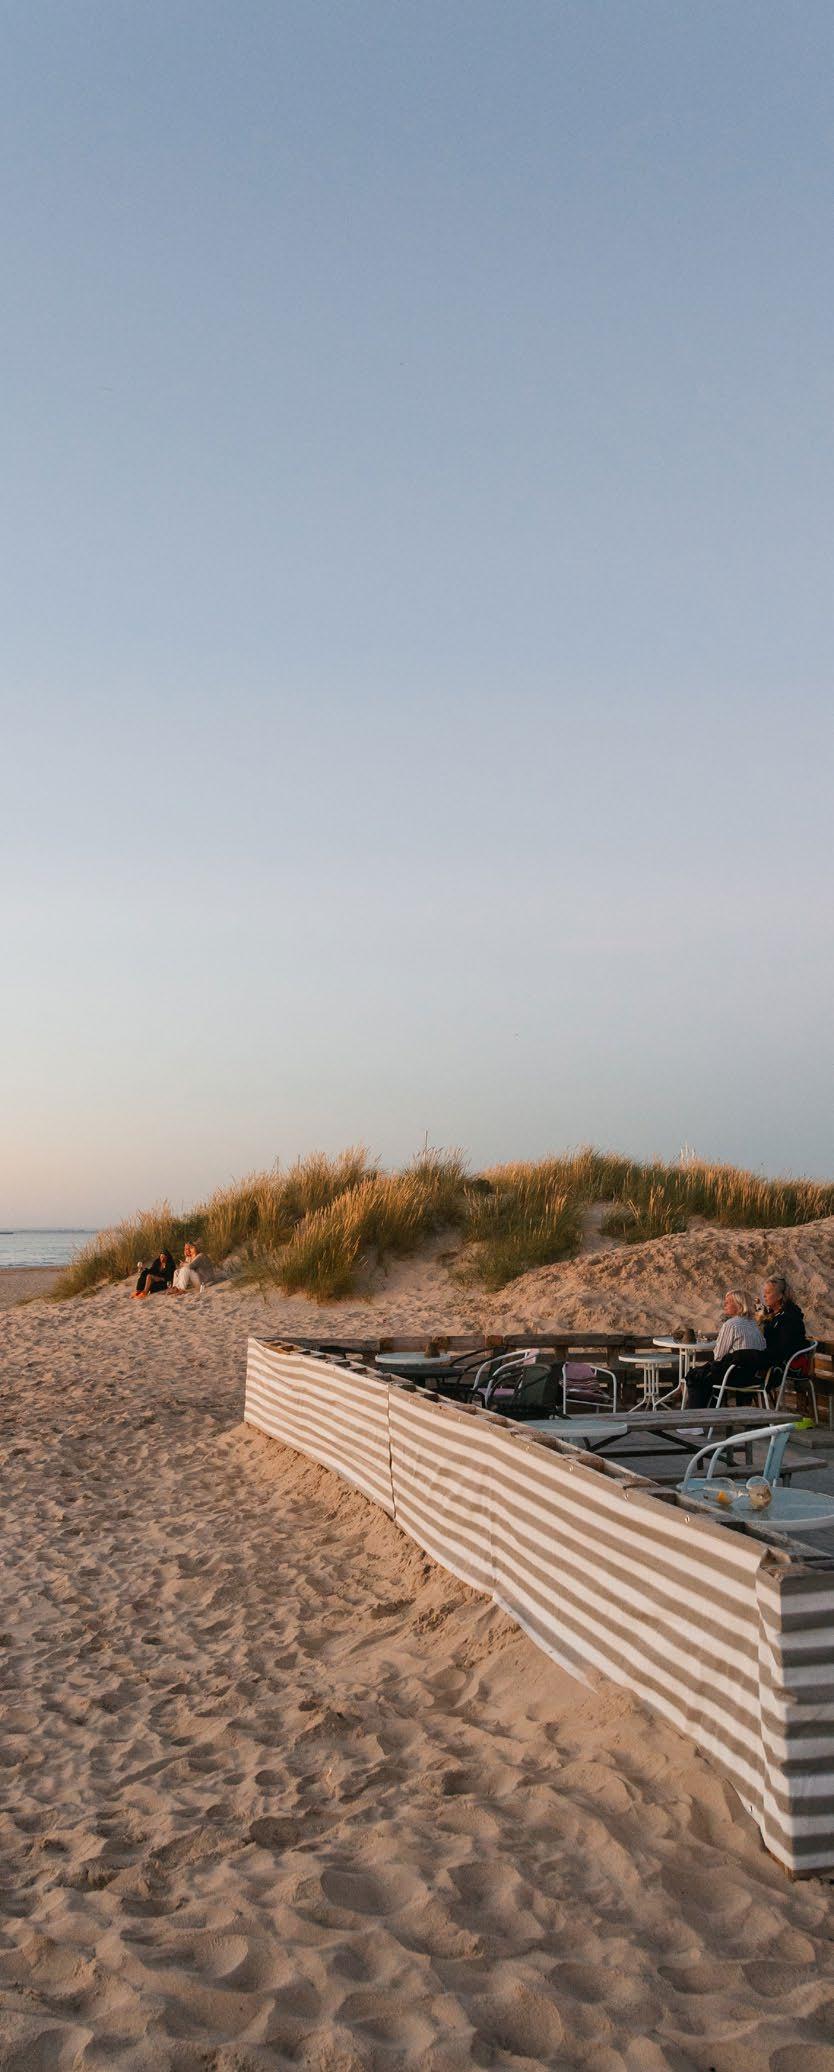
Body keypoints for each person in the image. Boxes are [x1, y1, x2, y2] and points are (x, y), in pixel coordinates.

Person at [684, 1291, 766, 1410]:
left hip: (733, 1376)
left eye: (728, 1302)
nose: (724, 1304)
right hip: (752, 1376)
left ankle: (695, 1417)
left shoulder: (731, 1325)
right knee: (705, 1375)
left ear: (739, 1305)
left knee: (694, 1376)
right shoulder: (754, 1325)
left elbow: (718, 1356)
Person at [757, 1276, 809, 1380]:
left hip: (788, 1365)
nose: (764, 1295)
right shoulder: (774, 1315)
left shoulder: (789, 1318)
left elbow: (783, 1348)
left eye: (768, 1292)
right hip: (777, 1359)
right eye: (764, 1292)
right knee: (740, 1356)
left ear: (780, 1295)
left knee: (743, 1358)